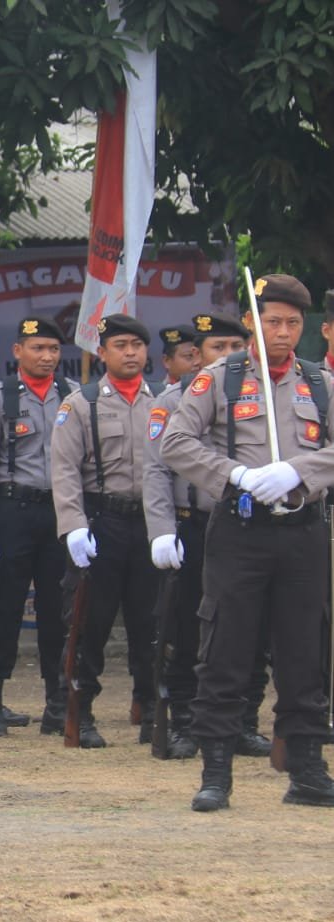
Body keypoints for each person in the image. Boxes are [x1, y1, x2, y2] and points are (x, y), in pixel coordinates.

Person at [162, 274, 334, 811]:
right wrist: (233, 475)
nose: (283, 332)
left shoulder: (320, 383)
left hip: (303, 530)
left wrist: (300, 471)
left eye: (293, 323)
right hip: (240, 530)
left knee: (305, 651)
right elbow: (175, 442)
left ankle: (307, 770)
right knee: (226, 649)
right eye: (273, 321)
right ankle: (216, 772)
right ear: (253, 323)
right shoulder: (220, 379)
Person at [144, 311, 252, 760]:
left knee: (245, 625)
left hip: (244, 523)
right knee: (188, 626)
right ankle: (186, 720)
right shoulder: (172, 400)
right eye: (216, 348)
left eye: (235, 347)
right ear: (197, 354)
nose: (226, 355)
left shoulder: (255, 394)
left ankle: (242, 721)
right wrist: (162, 531)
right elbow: (155, 469)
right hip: (191, 524)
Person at [49, 313, 159, 749]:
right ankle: (79, 710)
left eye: (137, 345)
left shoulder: (163, 402)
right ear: (102, 352)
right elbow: (64, 471)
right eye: (120, 345)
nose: (130, 353)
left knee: (151, 623)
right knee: (88, 623)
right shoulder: (82, 404)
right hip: (101, 522)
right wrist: (74, 527)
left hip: (149, 523)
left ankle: (153, 710)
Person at [0, 318, 78, 735]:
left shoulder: (72, 396)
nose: (47, 356)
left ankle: (58, 701)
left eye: (53, 349)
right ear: (18, 351)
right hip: (14, 510)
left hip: (60, 512)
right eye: (38, 348)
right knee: (4, 608)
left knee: (58, 610)